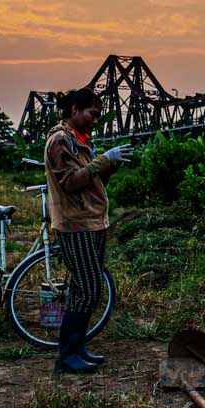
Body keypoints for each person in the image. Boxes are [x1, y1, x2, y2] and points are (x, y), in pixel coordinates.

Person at [44, 88, 132, 374]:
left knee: (84, 289)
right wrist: (103, 159)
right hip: (75, 224)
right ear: (74, 111)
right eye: (92, 114)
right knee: (89, 287)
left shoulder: (80, 140)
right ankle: (67, 355)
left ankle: (77, 349)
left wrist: (110, 166)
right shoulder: (60, 140)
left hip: (92, 220)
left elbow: (92, 180)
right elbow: (69, 182)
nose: (96, 120)